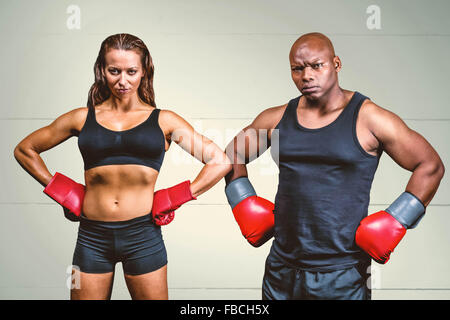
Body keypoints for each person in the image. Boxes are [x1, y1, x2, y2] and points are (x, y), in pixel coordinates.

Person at [224, 32, 445, 300]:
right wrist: (244, 202)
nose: (306, 75)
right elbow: (233, 152)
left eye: (317, 65)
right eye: (297, 69)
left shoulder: (369, 118)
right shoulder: (276, 119)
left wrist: (396, 219)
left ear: (336, 64)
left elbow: (430, 165)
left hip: (343, 273)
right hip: (281, 270)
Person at [13, 33, 231, 300]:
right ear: (102, 71)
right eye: (114, 71)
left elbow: (220, 161)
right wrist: (62, 191)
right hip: (91, 237)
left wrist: (176, 197)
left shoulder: (165, 121)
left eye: (131, 71)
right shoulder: (82, 118)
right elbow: (25, 149)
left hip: (143, 237)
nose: (123, 80)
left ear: (144, 72)